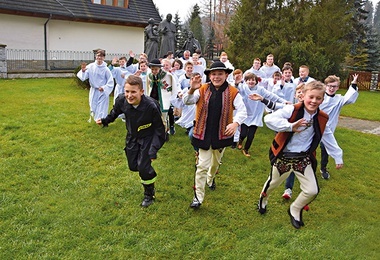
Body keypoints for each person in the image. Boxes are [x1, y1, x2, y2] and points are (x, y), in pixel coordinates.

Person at [257, 81, 343, 229]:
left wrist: (337, 155)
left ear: (323, 99)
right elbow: (269, 119)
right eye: (311, 97)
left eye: (318, 98)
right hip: (284, 156)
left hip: (303, 158)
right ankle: (263, 199)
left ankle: (295, 209)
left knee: (312, 190)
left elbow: (327, 134)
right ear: (303, 96)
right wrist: (290, 126)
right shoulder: (292, 110)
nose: (314, 101)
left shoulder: (322, 117)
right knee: (272, 184)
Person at [183, 61, 247, 209]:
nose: (216, 77)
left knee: (215, 163)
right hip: (203, 134)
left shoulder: (232, 92)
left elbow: (242, 110)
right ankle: (198, 197)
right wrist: (192, 89)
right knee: (202, 166)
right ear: (210, 76)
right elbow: (187, 101)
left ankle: (211, 180)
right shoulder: (203, 89)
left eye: (220, 74)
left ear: (226, 75)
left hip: (222, 135)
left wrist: (235, 123)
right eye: (214, 74)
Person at [96, 75, 166, 207]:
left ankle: (149, 194)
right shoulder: (121, 100)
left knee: (143, 168)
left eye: (133, 92)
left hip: (148, 138)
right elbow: (115, 112)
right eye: (127, 91)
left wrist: (153, 150)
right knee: (133, 166)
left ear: (141, 92)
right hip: (132, 137)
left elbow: (160, 131)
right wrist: (105, 121)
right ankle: (145, 169)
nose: (129, 95)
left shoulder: (151, 106)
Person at [237, 72, 287, 157]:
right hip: (245, 115)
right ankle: (240, 140)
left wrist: (283, 101)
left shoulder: (261, 90)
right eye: (248, 80)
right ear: (246, 81)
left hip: (256, 116)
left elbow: (272, 96)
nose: (251, 82)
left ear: (256, 81)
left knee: (251, 136)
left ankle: (246, 150)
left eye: (253, 80)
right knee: (243, 134)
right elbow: (235, 89)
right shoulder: (243, 88)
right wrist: (236, 82)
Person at [319, 74, 359, 179]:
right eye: (330, 86)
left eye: (334, 86)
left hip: (329, 128)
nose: (331, 88)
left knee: (325, 148)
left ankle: (323, 168)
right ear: (325, 85)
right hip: (315, 127)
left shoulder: (339, 99)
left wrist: (353, 84)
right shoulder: (319, 96)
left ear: (337, 87)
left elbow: (349, 98)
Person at [77, 49, 114, 122]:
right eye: (98, 56)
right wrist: (83, 71)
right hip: (94, 90)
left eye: (101, 56)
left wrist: (104, 87)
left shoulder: (106, 69)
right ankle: (96, 118)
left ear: (103, 58)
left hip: (102, 91)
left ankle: (101, 120)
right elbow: (84, 76)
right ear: (95, 56)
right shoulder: (91, 66)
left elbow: (110, 81)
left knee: (101, 107)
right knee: (93, 105)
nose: (99, 58)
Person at [146, 59, 179, 137]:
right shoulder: (149, 76)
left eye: (156, 69)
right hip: (153, 98)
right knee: (154, 115)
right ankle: (156, 131)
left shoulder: (167, 76)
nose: (154, 71)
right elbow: (148, 87)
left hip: (164, 98)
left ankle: (165, 133)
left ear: (160, 68)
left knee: (164, 116)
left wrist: (173, 98)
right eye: (152, 69)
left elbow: (173, 86)